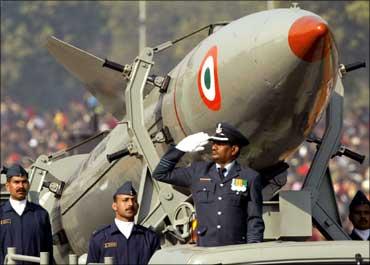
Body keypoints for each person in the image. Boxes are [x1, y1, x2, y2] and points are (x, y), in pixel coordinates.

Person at [152, 122, 265, 247]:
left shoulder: (249, 177)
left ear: (234, 149)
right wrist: (179, 150)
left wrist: (254, 248)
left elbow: (254, 218)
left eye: (220, 143)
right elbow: (160, 174)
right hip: (205, 249)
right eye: (213, 143)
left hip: (235, 249)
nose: (214, 147)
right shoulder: (198, 172)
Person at [87, 181, 161, 264]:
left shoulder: (150, 238)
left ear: (138, 206)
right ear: (115, 206)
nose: (130, 204)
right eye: (125, 200)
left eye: (134, 200)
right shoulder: (99, 238)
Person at [0, 164, 53, 265]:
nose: (21, 186)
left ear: (28, 184)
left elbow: (48, 252)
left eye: (24, 182)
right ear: (7, 186)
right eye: (16, 182)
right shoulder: (1, 214)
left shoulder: (41, 215)